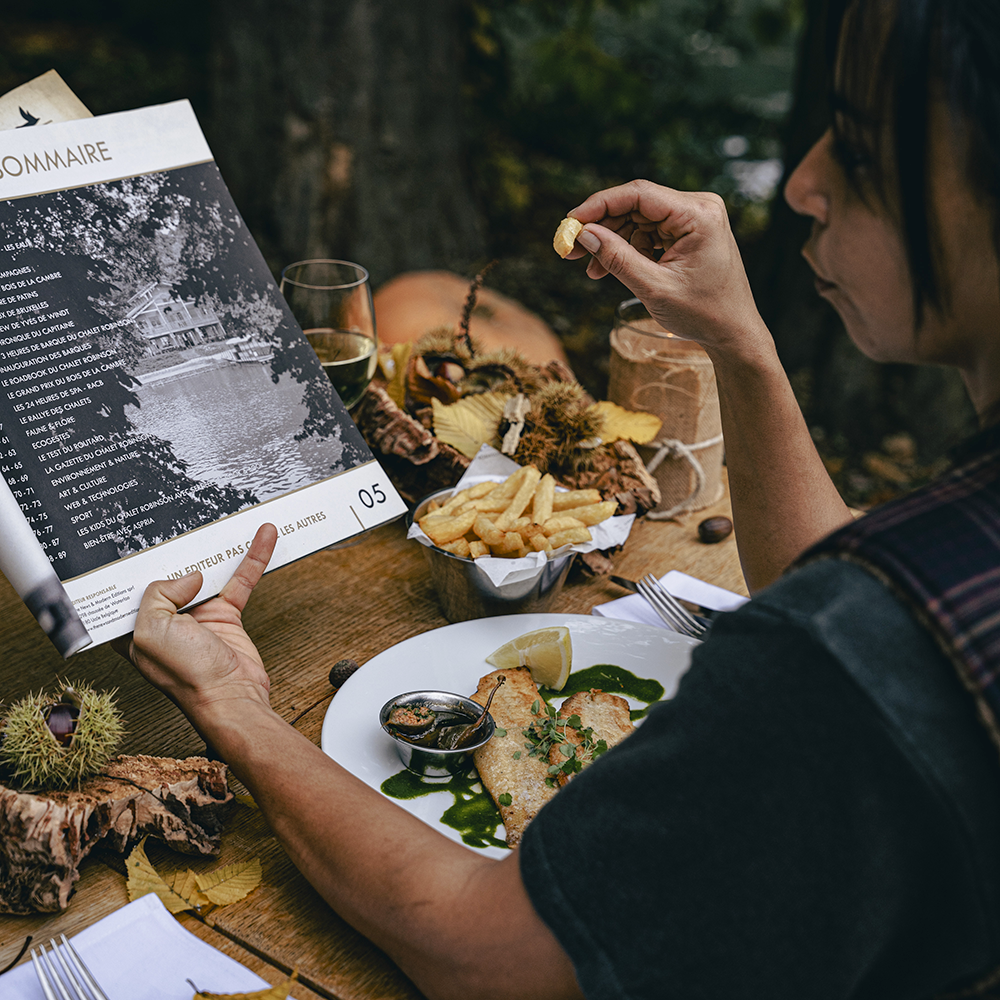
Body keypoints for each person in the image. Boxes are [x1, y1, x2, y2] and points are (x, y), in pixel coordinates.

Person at [122, 0, 1000, 997]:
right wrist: (737, 341)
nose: (802, 184)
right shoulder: (914, 594)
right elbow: (860, 616)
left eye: (866, 149)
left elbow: (495, 949)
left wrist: (235, 705)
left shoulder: (842, 654)